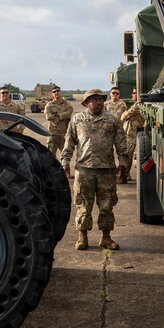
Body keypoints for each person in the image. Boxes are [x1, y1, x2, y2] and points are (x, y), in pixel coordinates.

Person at [60, 88, 127, 251]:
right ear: (86, 103)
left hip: (106, 170)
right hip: (84, 170)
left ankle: (106, 237)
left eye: (101, 99)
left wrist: (123, 163)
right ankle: (82, 237)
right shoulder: (77, 120)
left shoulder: (112, 120)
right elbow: (69, 142)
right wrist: (65, 161)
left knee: (106, 206)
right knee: (83, 205)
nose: (99, 102)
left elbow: (121, 143)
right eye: (94, 99)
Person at [117, 90, 146, 184]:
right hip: (134, 133)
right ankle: (125, 175)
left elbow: (124, 116)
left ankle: (123, 176)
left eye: (134, 93)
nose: (132, 94)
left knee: (128, 155)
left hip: (134, 134)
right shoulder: (140, 104)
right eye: (132, 92)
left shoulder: (137, 105)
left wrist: (128, 116)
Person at [43, 86, 73, 161]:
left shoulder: (67, 103)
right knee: (51, 155)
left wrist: (58, 115)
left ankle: (66, 171)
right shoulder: (49, 105)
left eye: (57, 91)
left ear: (60, 92)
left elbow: (69, 113)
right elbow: (48, 116)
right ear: (52, 94)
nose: (56, 93)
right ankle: (52, 172)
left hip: (64, 133)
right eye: (54, 92)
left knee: (65, 154)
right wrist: (62, 116)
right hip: (52, 133)